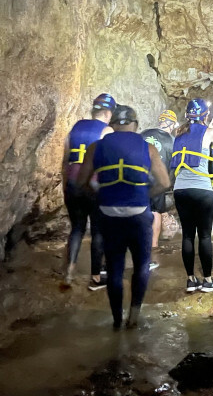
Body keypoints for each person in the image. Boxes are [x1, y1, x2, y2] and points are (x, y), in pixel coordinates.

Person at [74, 105, 171, 329]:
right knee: (141, 266)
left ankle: (117, 320)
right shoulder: (148, 148)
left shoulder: (96, 147)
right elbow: (165, 183)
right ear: (135, 125)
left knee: (115, 268)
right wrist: (145, 196)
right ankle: (134, 317)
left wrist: (99, 195)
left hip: (108, 214)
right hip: (138, 214)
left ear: (112, 124)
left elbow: (80, 182)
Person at [171, 98, 213, 293]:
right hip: (201, 189)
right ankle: (207, 281)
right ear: (205, 115)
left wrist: (209, 126)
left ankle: (191, 280)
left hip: (180, 190)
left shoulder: (178, 134)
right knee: (204, 236)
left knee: (187, 236)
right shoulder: (210, 132)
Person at [62, 93, 116, 289]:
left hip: (72, 183)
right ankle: (95, 277)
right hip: (93, 183)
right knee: (97, 231)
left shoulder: (75, 127)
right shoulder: (107, 130)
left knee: (77, 227)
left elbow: (66, 156)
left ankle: (69, 270)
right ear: (108, 113)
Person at [141, 109, 178, 263]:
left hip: (138, 177)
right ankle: (153, 245)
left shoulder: (143, 134)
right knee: (156, 212)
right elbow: (175, 165)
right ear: (173, 124)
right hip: (157, 180)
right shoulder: (172, 140)